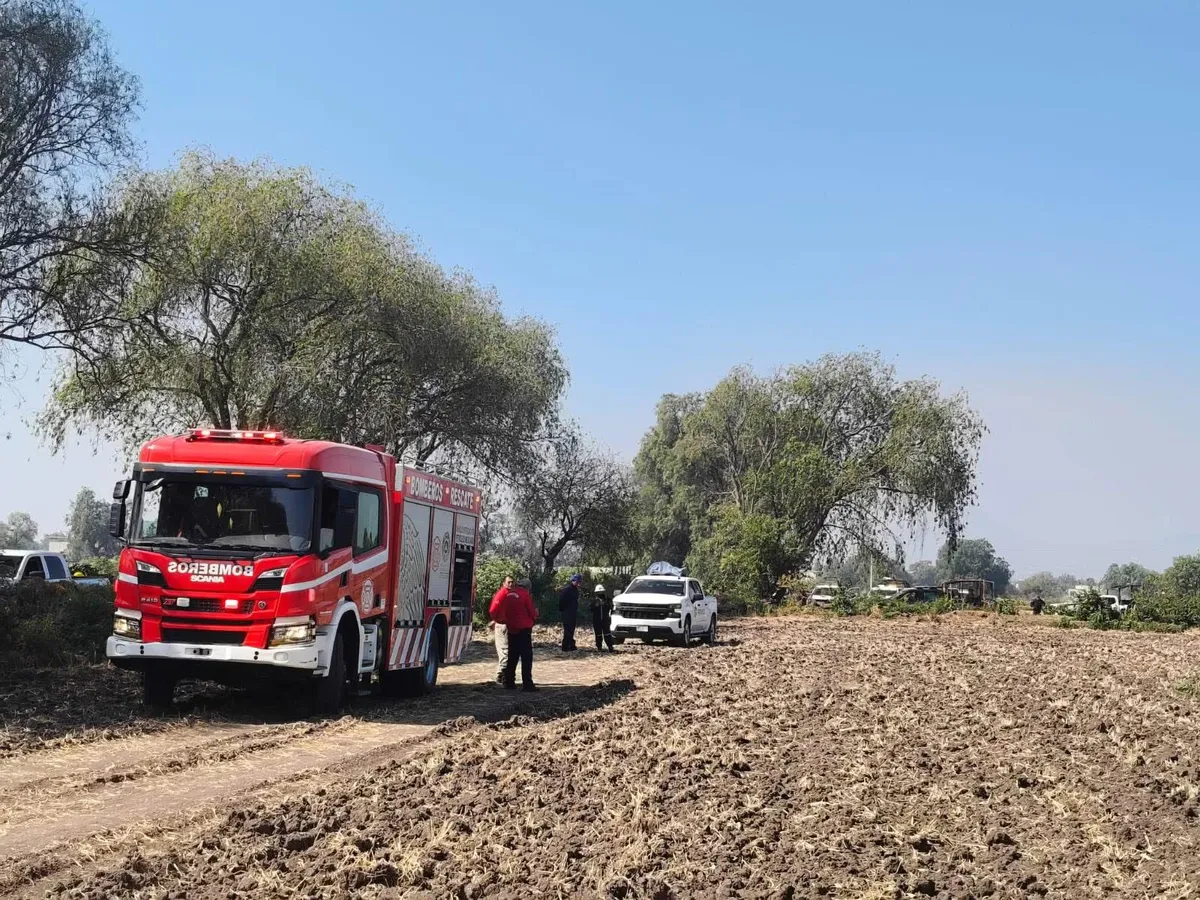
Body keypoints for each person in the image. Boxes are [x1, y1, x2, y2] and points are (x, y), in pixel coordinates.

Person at [501, 579, 538, 691]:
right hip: (523, 630)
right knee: (526, 658)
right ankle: (527, 684)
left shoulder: (508, 595)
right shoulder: (525, 595)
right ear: (528, 587)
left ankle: (509, 682)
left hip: (511, 629)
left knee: (512, 656)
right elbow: (532, 612)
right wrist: (536, 614)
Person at [488, 575, 514, 684]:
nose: (510, 584)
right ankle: (502, 675)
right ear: (503, 583)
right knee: (505, 651)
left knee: (506, 651)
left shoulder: (509, 594)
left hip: (506, 625)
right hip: (502, 625)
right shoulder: (502, 594)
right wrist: (497, 619)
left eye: (512, 582)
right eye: (508, 582)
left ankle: (501, 674)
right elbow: (493, 609)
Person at [558, 574, 582, 651]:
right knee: (567, 630)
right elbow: (561, 601)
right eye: (577, 582)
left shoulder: (575, 591)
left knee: (571, 629)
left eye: (579, 582)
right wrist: (563, 610)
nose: (578, 584)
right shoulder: (567, 590)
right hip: (567, 613)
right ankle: (565, 647)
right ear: (573, 581)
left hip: (573, 613)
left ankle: (571, 645)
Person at [591, 583, 615, 651]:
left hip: (605, 619)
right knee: (598, 634)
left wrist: (607, 605)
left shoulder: (607, 599)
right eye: (598, 592)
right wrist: (596, 605)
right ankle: (599, 647)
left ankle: (610, 646)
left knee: (607, 633)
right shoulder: (594, 600)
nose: (600, 593)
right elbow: (590, 608)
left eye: (601, 592)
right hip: (596, 620)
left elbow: (612, 607)